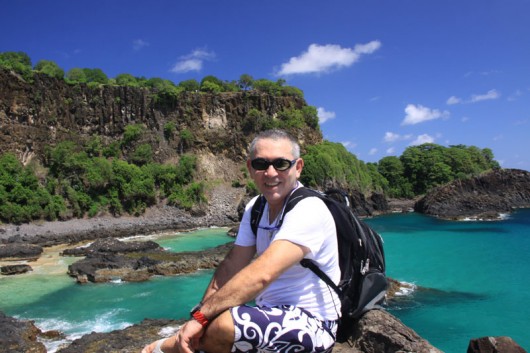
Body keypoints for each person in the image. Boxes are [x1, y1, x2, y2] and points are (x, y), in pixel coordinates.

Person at [142, 129, 340, 353]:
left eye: (281, 164)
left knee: (222, 325)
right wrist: (200, 314)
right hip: (269, 314)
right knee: (211, 318)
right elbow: (231, 266)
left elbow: (262, 273)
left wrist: (201, 319)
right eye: (261, 164)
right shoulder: (256, 207)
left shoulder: (309, 208)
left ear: (298, 167)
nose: (270, 172)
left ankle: (161, 348)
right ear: (250, 168)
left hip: (314, 325)